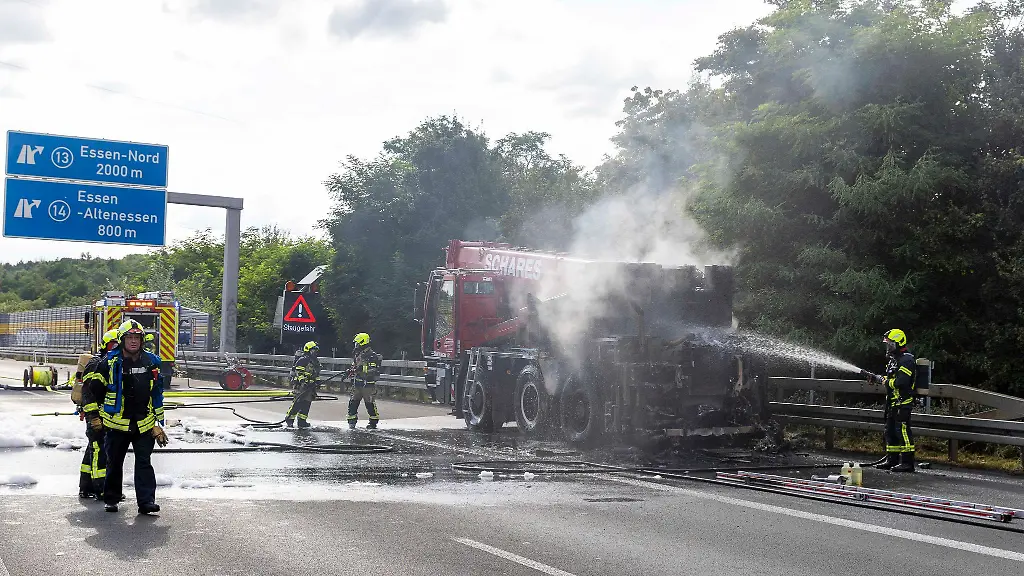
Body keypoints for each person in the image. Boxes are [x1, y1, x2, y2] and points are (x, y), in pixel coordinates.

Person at [81, 319, 168, 514]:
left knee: (144, 463)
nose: (134, 341)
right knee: (114, 463)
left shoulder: (152, 362)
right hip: (116, 424)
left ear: (142, 340)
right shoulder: (108, 363)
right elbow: (93, 391)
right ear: (122, 340)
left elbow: (156, 393)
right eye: (129, 337)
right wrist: (94, 416)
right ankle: (111, 499)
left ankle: (146, 502)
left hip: (143, 423)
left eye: (137, 337)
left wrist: (157, 423)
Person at [75, 328, 120, 500]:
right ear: (105, 345)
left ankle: (85, 487)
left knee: (93, 448)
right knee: (99, 450)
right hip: (96, 415)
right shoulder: (97, 363)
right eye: (112, 345)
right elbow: (88, 392)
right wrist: (93, 416)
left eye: (118, 345)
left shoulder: (112, 362)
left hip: (104, 414)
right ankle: (101, 489)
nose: (115, 348)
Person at [864, 328, 917, 473]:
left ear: (899, 343)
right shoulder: (894, 360)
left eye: (890, 344)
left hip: (902, 403)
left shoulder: (907, 360)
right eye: (887, 344)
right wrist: (877, 378)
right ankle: (891, 460)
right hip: (892, 403)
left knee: (902, 432)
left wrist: (884, 381)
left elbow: (901, 382)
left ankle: (907, 463)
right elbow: (892, 378)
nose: (888, 347)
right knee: (890, 432)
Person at [348, 332, 382, 429]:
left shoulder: (372, 356)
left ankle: (373, 422)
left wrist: (362, 369)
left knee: (369, 404)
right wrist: (350, 371)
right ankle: (351, 421)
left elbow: (374, 369)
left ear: (363, 343)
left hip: (368, 384)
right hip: (357, 383)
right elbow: (354, 365)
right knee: (353, 403)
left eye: (357, 343)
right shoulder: (358, 354)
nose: (356, 346)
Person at [284, 341, 321, 429]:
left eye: (315, 351)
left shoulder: (315, 361)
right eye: (313, 350)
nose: (315, 352)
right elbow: (299, 372)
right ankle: (289, 419)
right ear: (308, 350)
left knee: (306, 404)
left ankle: (302, 421)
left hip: (310, 386)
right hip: (301, 386)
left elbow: (316, 374)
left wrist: (318, 382)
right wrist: (303, 381)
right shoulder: (303, 360)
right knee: (298, 402)